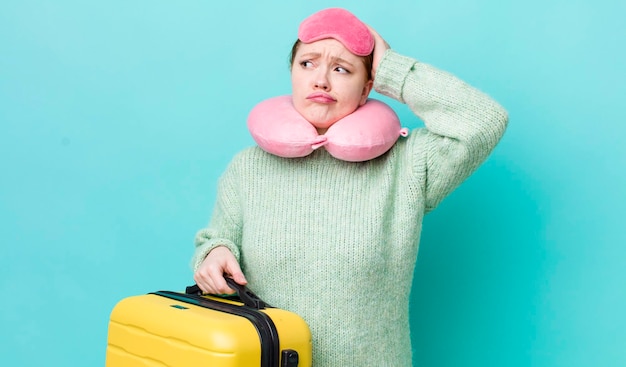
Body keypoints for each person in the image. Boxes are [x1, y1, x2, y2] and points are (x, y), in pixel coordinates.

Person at [191, 7, 508, 367]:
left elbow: (484, 120)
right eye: (307, 64)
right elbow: (217, 239)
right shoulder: (248, 167)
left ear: (367, 87)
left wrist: (392, 69)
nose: (321, 80)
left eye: (341, 68)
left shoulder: (409, 165)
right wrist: (212, 254)